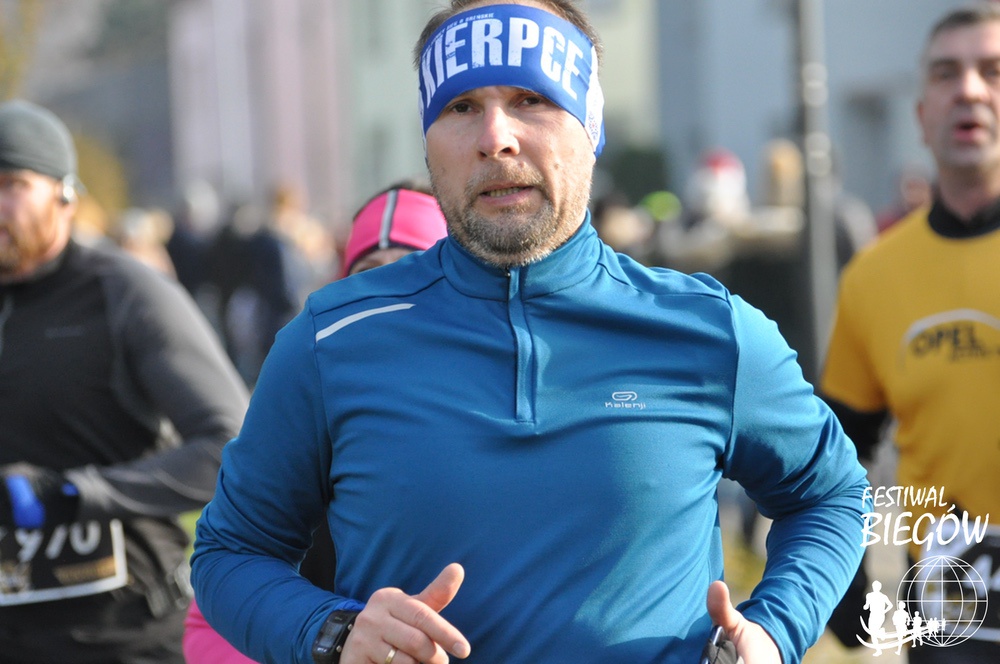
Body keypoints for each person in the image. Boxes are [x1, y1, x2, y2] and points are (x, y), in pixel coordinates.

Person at [191, 2, 869, 663]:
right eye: (462, 107)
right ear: (428, 143)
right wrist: (334, 633)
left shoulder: (709, 331)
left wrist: (773, 631)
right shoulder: (331, 340)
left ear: (590, 127)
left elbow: (833, 494)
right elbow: (229, 553)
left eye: (531, 100)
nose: (496, 137)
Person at [0, 99, 249, 663]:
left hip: (123, 637)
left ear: (65, 195)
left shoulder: (126, 293)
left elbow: (231, 446)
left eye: (12, 184)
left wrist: (74, 494)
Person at [182, 180, 449, 664]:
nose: (390, 292)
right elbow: (217, 603)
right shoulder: (311, 393)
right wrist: (335, 638)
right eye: (369, 271)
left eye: (414, 266)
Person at [821, 4, 1000, 662]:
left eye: (993, 71)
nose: (970, 90)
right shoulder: (874, 278)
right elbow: (839, 452)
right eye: (947, 74)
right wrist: (841, 574)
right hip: (951, 619)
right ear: (922, 114)